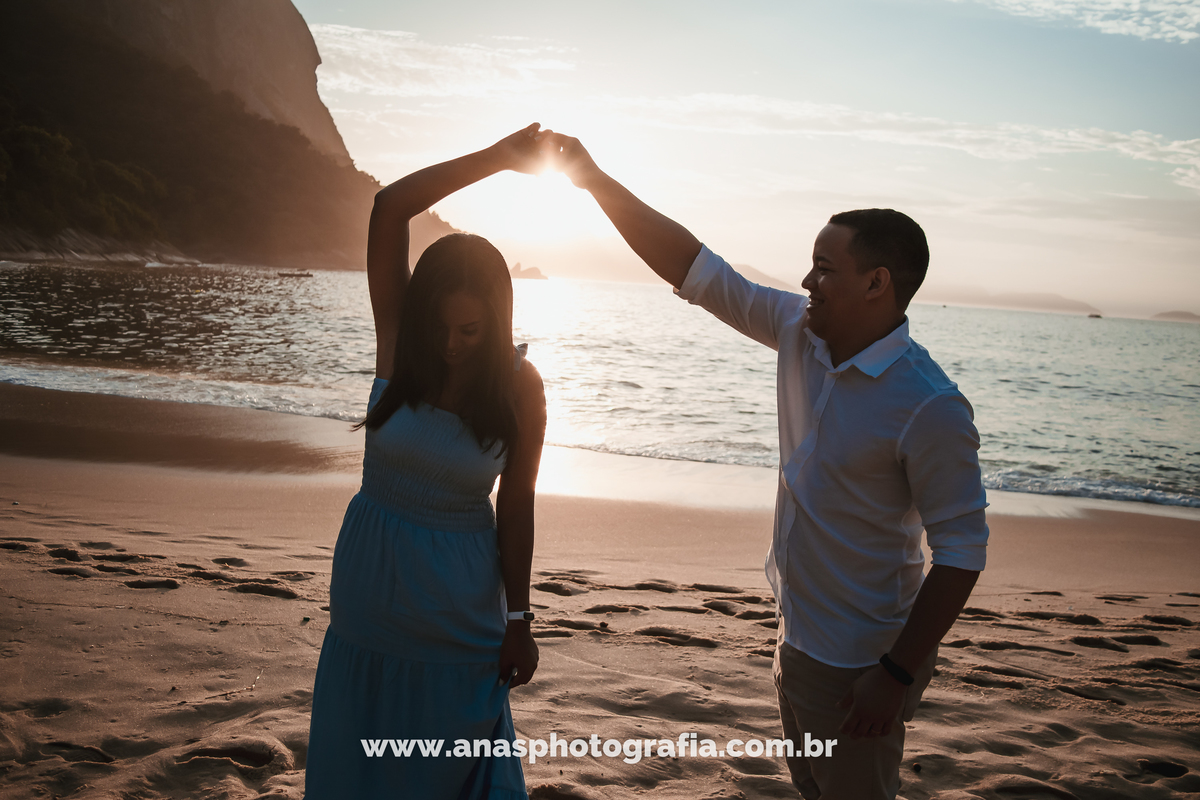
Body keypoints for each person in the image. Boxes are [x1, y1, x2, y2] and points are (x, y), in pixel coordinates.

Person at [543, 132, 988, 800]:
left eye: (823, 267)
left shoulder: (929, 405)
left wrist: (894, 674)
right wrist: (591, 178)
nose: (807, 281)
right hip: (798, 641)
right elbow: (696, 270)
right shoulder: (800, 333)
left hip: (862, 662)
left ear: (877, 283)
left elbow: (961, 552)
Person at [305, 125, 548, 799]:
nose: (450, 344)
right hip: (370, 593)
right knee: (359, 755)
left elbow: (517, 504)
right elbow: (390, 208)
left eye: (469, 331)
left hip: (460, 606)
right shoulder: (398, 344)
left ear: (496, 322)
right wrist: (497, 159)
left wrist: (520, 622)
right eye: (441, 326)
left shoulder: (519, 387)